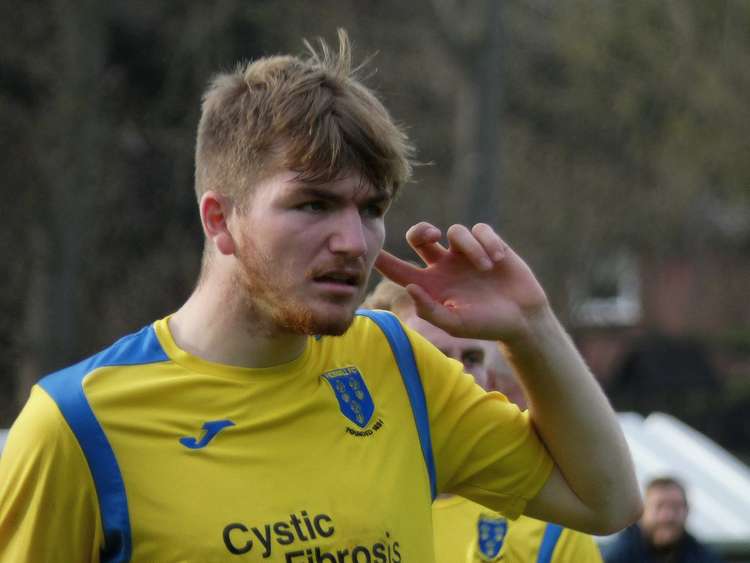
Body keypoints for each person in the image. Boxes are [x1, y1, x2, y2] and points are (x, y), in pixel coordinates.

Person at [0, 30, 641, 562]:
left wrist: (531, 326)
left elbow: (605, 503)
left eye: (371, 208)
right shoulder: (75, 426)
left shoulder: (397, 365)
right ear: (219, 219)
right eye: (312, 204)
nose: (352, 242)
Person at [364, 279, 604, 563]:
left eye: (472, 358)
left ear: (489, 377)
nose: (457, 373)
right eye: (432, 355)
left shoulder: (548, 525)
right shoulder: (337, 497)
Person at [603, 477, 723, 563]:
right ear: (642, 512)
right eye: (660, 506)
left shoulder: (702, 556)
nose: (668, 516)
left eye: (676, 507)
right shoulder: (615, 556)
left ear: (687, 511)